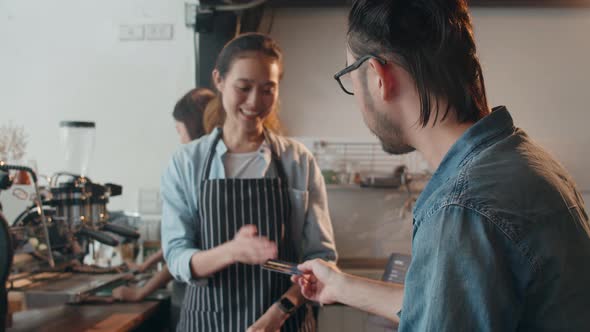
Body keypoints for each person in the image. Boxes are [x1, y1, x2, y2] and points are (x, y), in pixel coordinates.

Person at [292, 1, 590, 331]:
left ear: (378, 77)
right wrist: (340, 285)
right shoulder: (525, 161)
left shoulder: (461, 208)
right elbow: (452, 305)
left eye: (351, 75)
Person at [161, 33, 337, 332]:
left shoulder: (298, 161)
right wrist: (232, 250)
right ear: (219, 80)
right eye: (243, 88)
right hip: (207, 323)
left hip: (283, 323)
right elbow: (177, 257)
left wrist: (278, 314)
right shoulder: (187, 163)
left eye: (268, 89)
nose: (255, 101)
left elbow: (322, 259)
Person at [112, 87, 215, 329]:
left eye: (179, 130)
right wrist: (144, 266)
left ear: (192, 125)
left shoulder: (196, 167)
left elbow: (185, 251)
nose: (180, 138)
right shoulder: (196, 164)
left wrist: (140, 293)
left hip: (195, 299)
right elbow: (178, 242)